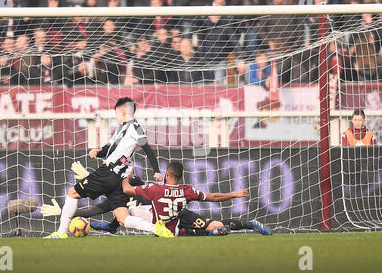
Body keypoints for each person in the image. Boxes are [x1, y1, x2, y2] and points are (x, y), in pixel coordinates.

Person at [44, 97, 173, 238]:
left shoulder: (136, 127)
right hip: (118, 179)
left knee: (72, 193)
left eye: (117, 113)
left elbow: (147, 149)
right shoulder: (121, 129)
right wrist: (98, 152)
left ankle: (61, 233)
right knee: (122, 218)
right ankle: (156, 229)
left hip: (109, 172)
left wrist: (156, 170)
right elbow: (109, 149)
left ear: (123, 111)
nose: (116, 117)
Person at [41, 163, 273, 236]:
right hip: (179, 217)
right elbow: (212, 197)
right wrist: (234, 194)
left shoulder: (154, 190)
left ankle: (241, 227)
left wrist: (113, 178)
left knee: (128, 210)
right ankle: (250, 224)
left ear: (168, 175)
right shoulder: (187, 190)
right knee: (216, 226)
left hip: (174, 224)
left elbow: (124, 190)